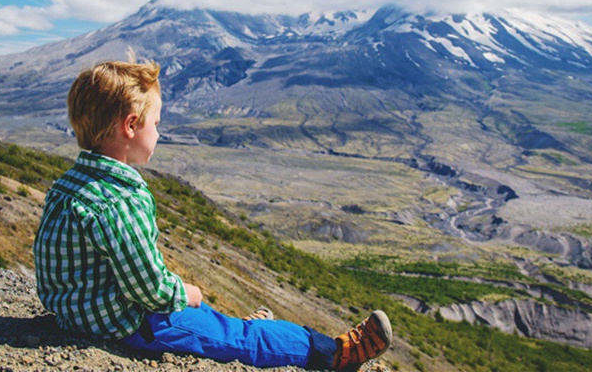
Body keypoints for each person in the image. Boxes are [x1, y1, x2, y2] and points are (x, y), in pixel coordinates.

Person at [33, 57, 392, 370]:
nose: (158, 132)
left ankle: (244, 326)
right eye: (155, 123)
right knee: (241, 338)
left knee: (211, 321)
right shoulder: (119, 200)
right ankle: (337, 353)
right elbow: (150, 291)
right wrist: (183, 292)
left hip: (78, 316)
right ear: (130, 125)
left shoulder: (68, 186)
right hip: (126, 324)